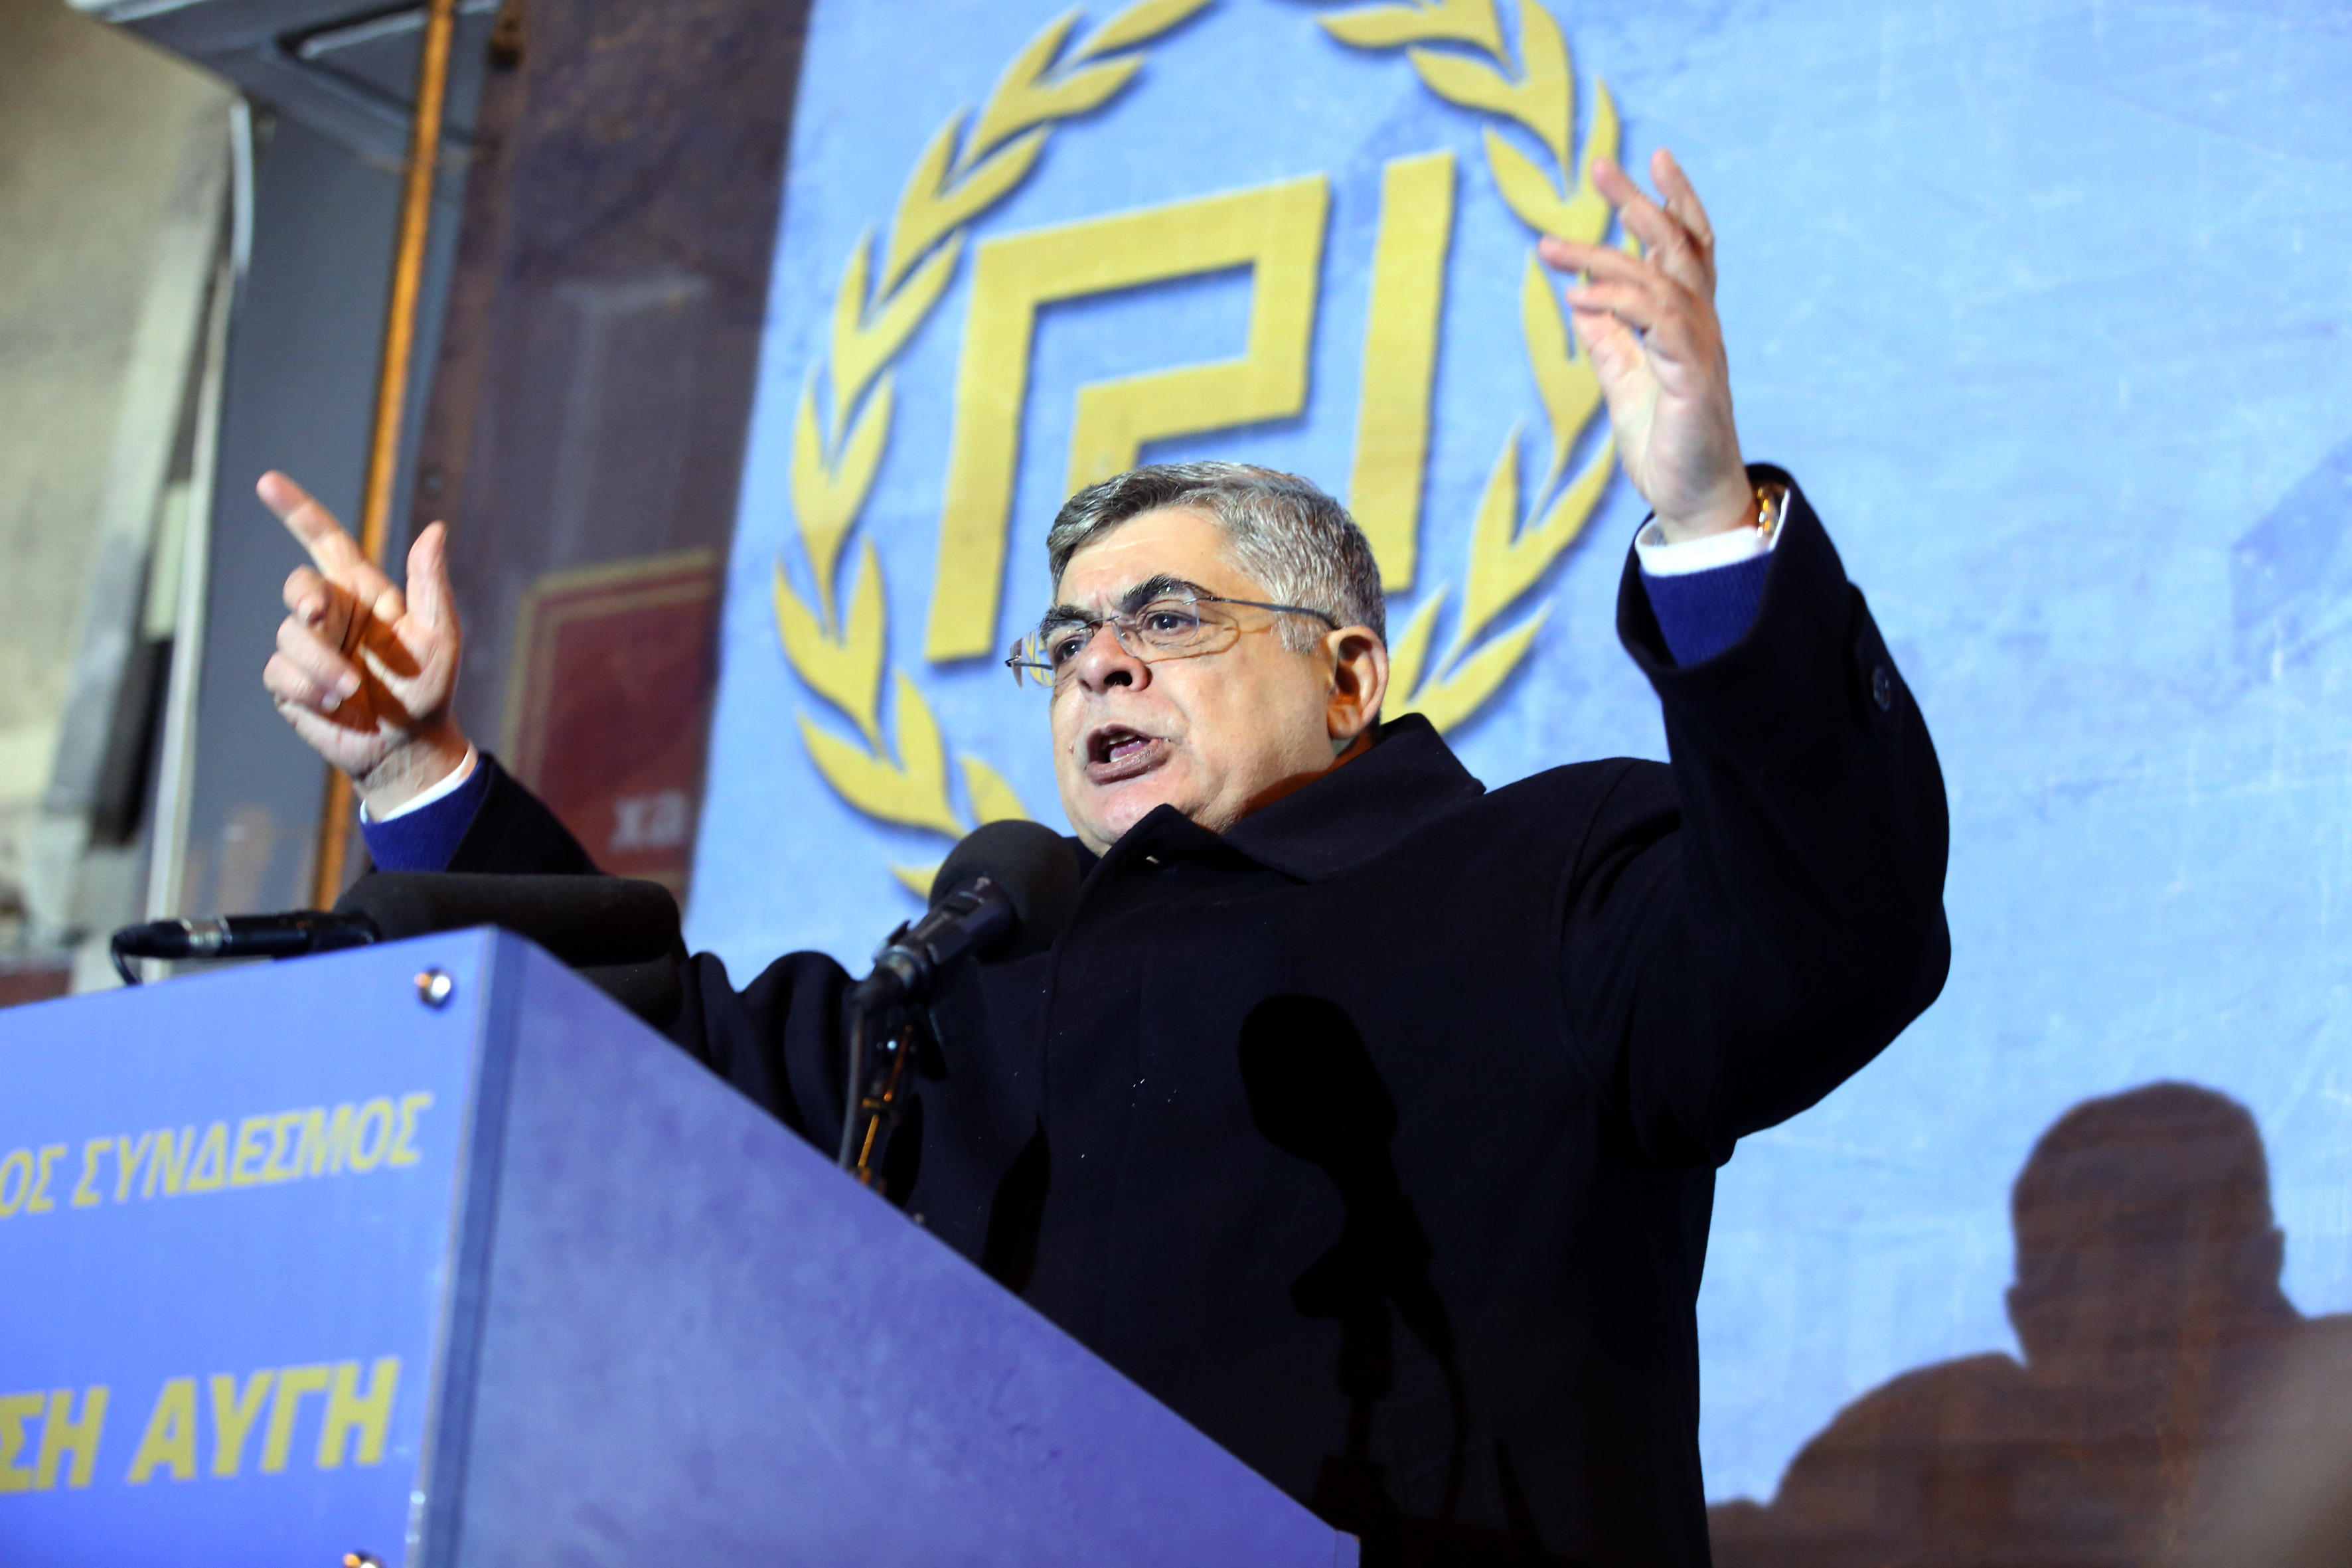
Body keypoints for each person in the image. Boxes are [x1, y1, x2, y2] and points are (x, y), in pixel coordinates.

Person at [257, 151, 1950, 1567]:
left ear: (1348, 674)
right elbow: (638, 1077)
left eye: (1167, 618)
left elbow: (1830, 925)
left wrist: (1709, 521)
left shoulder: (1545, 882)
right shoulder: (960, 993)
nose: (1099, 669)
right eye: (1064, 645)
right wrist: (418, 768)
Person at [1707, 1081, 2352, 1568]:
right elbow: (1759, 1546)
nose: (2123, 1303)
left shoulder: (2334, 1411)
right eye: (2066, 1273)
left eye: (2156, 1240)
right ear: (2029, 1317)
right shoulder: (1952, 1437)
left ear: (2262, 1261)